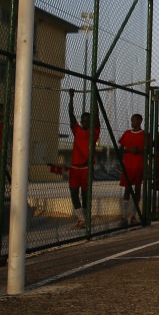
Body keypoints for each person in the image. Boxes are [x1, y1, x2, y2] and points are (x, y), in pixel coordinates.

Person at [67, 89, 99, 228]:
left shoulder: (94, 131)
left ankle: (85, 220)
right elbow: (70, 114)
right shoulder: (77, 130)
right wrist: (71, 97)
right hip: (75, 168)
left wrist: (95, 98)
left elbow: (97, 115)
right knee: (74, 193)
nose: (84, 122)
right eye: (83, 120)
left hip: (86, 168)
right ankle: (81, 219)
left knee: (86, 195)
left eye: (87, 120)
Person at [118, 113, 147, 226]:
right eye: (132, 120)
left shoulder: (144, 135)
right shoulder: (127, 133)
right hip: (128, 166)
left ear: (140, 121)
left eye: (135, 120)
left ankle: (134, 215)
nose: (133, 122)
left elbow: (148, 151)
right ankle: (124, 216)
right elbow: (120, 149)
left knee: (138, 190)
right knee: (127, 190)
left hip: (139, 166)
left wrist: (138, 151)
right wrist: (130, 150)